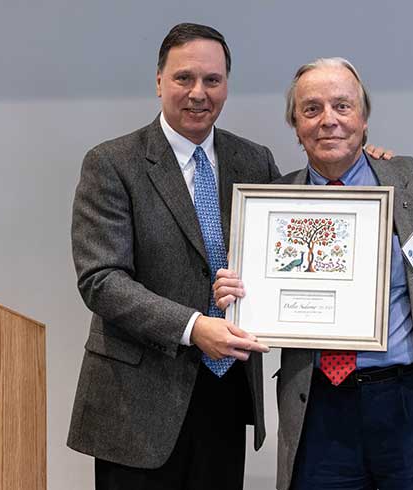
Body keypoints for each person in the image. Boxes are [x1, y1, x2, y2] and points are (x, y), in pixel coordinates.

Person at [214, 57, 413, 490]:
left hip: (410, 404)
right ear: (296, 124)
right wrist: (236, 296)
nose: (328, 120)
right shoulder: (271, 205)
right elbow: (258, 299)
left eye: (342, 107)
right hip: (318, 406)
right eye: (312, 109)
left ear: (364, 119)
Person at [67, 23, 280, 490]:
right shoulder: (112, 163)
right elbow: (101, 279)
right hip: (138, 402)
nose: (198, 93)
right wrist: (193, 327)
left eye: (212, 80)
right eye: (184, 78)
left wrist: (363, 166)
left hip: (226, 393)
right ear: (159, 81)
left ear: (227, 85)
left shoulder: (254, 160)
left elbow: (295, 225)